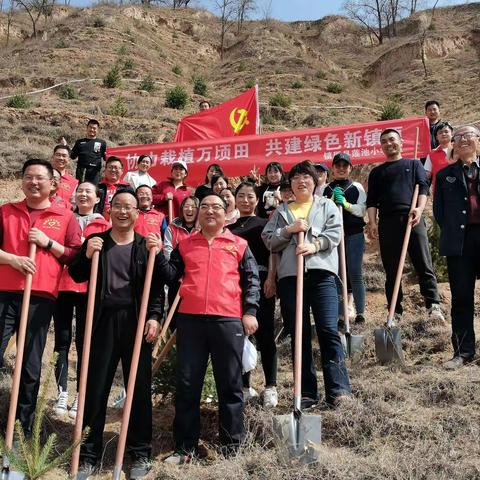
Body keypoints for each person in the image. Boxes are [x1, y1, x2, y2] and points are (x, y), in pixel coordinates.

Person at [69, 190, 165, 480]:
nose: (123, 212)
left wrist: (154, 317)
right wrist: (86, 255)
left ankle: (139, 452)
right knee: (95, 388)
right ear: (109, 210)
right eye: (118, 206)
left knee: (138, 388)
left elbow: (158, 284)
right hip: (100, 322)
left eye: (129, 207)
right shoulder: (96, 243)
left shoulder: (144, 245)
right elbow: (75, 274)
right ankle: (88, 455)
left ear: (138, 213)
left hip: (135, 323)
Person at [159, 193, 260, 464]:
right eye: (204, 206)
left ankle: (232, 446)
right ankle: (185, 448)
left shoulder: (238, 244)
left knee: (230, 385)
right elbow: (169, 275)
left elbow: (252, 280)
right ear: (198, 213)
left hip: (227, 320)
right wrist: (157, 252)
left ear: (226, 213)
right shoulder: (186, 244)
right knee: (187, 385)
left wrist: (250, 311)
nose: (210, 211)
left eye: (217, 206)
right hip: (190, 320)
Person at [0, 159, 82, 436]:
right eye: (28, 177)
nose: (33, 182)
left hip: (40, 297)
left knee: (30, 364)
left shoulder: (65, 216)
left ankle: (21, 429)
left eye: (39, 178)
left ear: (52, 184)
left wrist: (48, 243)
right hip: (5, 293)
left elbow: (75, 256)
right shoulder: (6, 212)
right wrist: (13, 260)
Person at [262, 160, 352, 408]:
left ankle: (339, 389)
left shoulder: (327, 206)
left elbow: (335, 232)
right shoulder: (281, 212)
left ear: (315, 182)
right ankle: (306, 392)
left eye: (307, 177)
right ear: (290, 183)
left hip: (322, 275)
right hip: (291, 278)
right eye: (296, 177)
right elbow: (268, 241)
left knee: (327, 330)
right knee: (298, 333)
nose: (302, 181)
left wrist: (316, 245)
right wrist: (288, 230)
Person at [366, 128, 444, 323]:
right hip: (387, 222)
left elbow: (423, 187)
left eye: (392, 139)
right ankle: (395, 312)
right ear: (381, 146)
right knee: (391, 269)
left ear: (400, 143)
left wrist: (419, 209)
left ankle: (433, 305)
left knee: (423, 263)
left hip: (412, 217)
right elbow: (371, 201)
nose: (388, 144)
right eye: (384, 141)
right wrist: (373, 222)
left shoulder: (414, 164)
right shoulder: (377, 172)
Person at [53, 182, 109, 418]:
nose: (83, 194)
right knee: (62, 340)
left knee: (85, 343)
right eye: (80, 191)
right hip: (63, 286)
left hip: (90, 290)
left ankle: (80, 395)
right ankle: (61, 392)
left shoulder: (105, 225)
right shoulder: (64, 219)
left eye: (89, 192)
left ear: (98, 198)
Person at [433, 125, 480, 369]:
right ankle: (463, 352)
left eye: (468, 136)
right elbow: (439, 212)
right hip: (459, 243)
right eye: (458, 137)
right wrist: (454, 230)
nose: (463, 140)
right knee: (461, 297)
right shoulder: (444, 175)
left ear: (478, 141)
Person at [228, 181, 278, 408]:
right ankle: (245, 386)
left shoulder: (264, 224)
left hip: (261, 283)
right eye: (241, 196)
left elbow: (273, 253)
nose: (245, 200)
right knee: (240, 336)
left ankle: (271, 386)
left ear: (257, 200)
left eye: (250, 196)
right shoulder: (228, 227)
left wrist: (271, 279)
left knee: (265, 334)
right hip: (235, 287)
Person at [321, 153, 367, 325]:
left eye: (345, 166)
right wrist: (332, 201)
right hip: (334, 237)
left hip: (354, 234)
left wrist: (346, 205)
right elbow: (322, 212)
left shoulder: (356, 187)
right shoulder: (326, 189)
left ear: (350, 168)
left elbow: (362, 210)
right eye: (337, 166)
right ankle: (342, 314)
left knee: (354, 272)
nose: (341, 169)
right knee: (339, 274)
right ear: (332, 169)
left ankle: (360, 312)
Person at [71, 119, 107, 185]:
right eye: (90, 127)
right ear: (87, 128)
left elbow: (105, 158)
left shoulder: (102, 143)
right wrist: (66, 147)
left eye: (94, 128)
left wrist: (107, 155)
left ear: (97, 130)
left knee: (93, 190)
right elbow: (72, 156)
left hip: (95, 172)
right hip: (81, 171)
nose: (92, 130)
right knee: (81, 189)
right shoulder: (79, 142)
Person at [424, 122, 454, 192]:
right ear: (436, 137)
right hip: (440, 192)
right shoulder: (432, 154)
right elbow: (426, 175)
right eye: (440, 133)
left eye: (446, 132)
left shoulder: (459, 150)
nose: (443, 134)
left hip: (459, 190)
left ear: (452, 134)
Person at [51, 144, 78, 209]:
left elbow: (73, 204)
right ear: (52, 157)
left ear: (69, 160)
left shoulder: (74, 182)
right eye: (58, 155)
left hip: (63, 216)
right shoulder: (44, 175)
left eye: (64, 156)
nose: (61, 158)